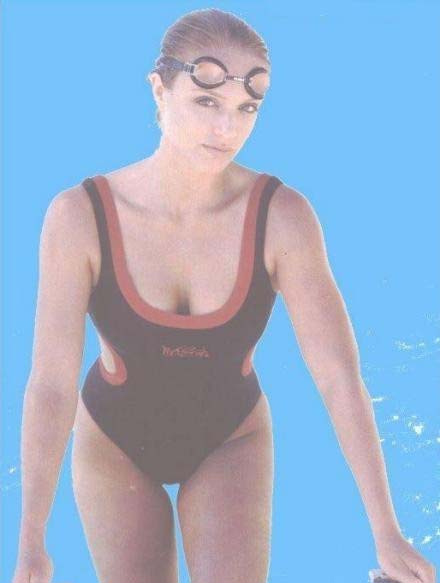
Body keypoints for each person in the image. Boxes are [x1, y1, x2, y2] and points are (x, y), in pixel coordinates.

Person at [12, 7, 436, 583]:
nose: (226, 129)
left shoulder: (283, 217)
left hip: (230, 437)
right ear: (158, 90)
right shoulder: (78, 215)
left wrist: (385, 530)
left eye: (245, 109)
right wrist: (31, 541)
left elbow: (339, 376)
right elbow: (50, 383)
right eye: (206, 101)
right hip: (115, 442)